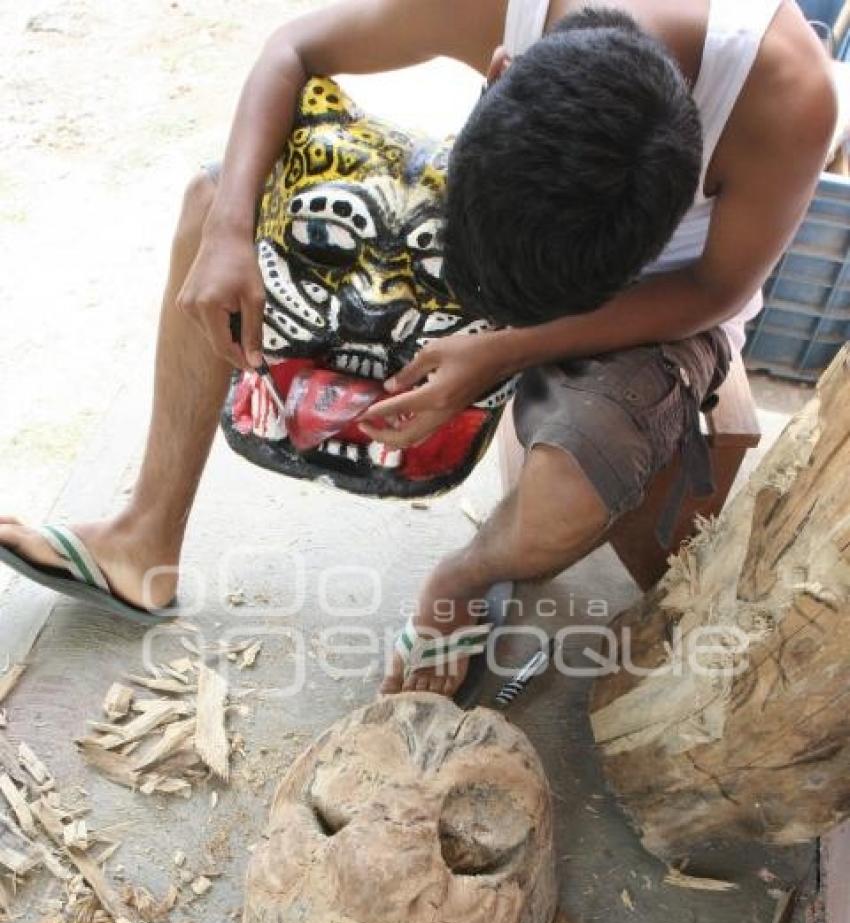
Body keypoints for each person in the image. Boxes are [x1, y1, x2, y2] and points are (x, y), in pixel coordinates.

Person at [0, 0, 835, 697]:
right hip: (504, 222)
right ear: (502, 71)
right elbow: (294, 46)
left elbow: (712, 290)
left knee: (577, 481)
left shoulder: (788, 93)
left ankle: (463, 584)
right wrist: (229, 231)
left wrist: (505, 347)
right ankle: (142, 539)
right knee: (218, 197)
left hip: (657, 301)